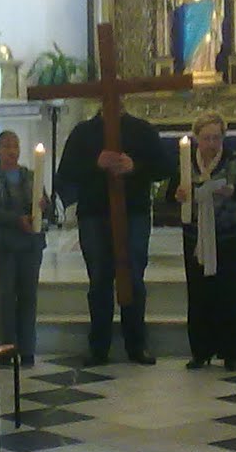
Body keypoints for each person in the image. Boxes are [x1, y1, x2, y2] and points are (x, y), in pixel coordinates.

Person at [55, 108, 177, 365]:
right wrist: (95, 164)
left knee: (133, 276)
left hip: (133, 212)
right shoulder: (83, 132)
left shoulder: (141, 129)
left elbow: (166, 166)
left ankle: (136, 344)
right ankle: (99, 347)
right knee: (99, 279)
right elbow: (65, 172)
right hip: (94, 213)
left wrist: (135, 166)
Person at [175, 111, 236, 371]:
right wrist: (179, 194)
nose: (211, 143)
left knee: (228, 292)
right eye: (206, 138)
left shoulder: (233, 160)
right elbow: (169, 195)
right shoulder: (186, 160)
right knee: (199, 293)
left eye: (216, 138)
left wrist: (232, 190)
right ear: (196, 138)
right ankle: (201, 351)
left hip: (227, 234)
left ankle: (230, 352)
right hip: (195, 235)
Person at [0, 129, 46, 367]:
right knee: (6, 296)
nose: (11, 151)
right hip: (4, 244)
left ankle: (27, 349)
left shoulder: (31, 176)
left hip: (30, 244)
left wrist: (42, 206)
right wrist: (16, 220)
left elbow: (44, 204)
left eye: (15, 146)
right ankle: (5, 349)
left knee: (28, 296)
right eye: (6, 146)